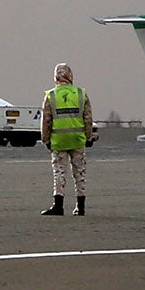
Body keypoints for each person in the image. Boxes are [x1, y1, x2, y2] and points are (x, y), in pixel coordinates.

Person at [41, 62, 94, 216]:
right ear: (70, 76)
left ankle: (58, 205)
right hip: (77, 139)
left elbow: (46, 120)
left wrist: (46, 140)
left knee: (59, 172)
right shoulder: (81, 94)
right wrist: (88, 137)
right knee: (80, 173)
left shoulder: (50, 96)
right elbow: (88, 118)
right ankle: (81, 206)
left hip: (59, 140)